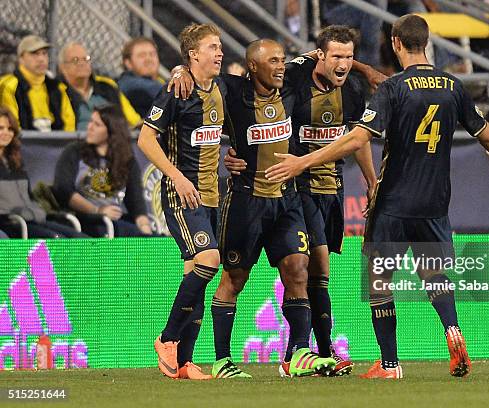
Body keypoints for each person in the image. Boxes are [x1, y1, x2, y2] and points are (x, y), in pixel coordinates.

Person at [265, 14, 489, 379]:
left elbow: (360, 138)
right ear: (426, 42)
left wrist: (306, 161)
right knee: (436, 277)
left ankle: (390, 364)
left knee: (379, 282)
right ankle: (453, 330)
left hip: (393, 201)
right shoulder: (452, 86)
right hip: (436, 204)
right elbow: (485, 132)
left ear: (395, 43)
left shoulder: (394, 88)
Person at [225, 26, 377, 377]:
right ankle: (308, 352)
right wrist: (238, 154)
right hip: (297, 187)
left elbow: (359, 137)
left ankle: (317, 353)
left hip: (332, 188)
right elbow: (257, 106)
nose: (343, 64)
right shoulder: (293, 77)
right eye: (335, 56)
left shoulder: (352, 90)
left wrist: (371, 181)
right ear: (319, 56)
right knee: (314, 267)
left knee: (319, 274)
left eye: (349, 57)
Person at [138, 23, 226, 380]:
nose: (220, 53)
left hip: (212, 195)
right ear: (193, 55)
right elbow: (145, 139)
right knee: (209, 260)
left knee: (196, 273)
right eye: (213, 47)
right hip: (181, 193)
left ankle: (185, 362)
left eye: (220, 47)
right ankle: (167, 338)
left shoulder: (220, 89)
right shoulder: (175, 91)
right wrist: (175, 175)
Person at [53, 104, 152, 237]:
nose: (90, 127)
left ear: (111, 131)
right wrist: (97, 210)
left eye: (97, 124)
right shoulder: (74, 152)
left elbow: (136, 204)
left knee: (148, 238)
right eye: (90, 122)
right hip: (83, 219)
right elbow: (63, 191)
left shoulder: (127, 161)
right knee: (118, 229)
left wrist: (146, 230)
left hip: (114, 221)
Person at [0, 106, 85, 238]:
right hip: (10, 223)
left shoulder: (15, 162)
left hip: (32, 219)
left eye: (10, 129)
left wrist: (40, 212)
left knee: (80, 241)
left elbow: (29, 198)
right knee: (56, 241)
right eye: (1, 128)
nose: (6, 133)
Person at [58, 42, 141, 130]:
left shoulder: (107, 85)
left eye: (86, 59)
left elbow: (133, 120)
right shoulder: (56, 90)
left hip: (112, 141)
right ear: (62, 67)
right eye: (75, 60)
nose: (82, 63)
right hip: (72, 141)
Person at [0, 35, 75, 131]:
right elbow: (11, 126)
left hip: (56, 144)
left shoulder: (57, 87)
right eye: (35, 54)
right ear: (21, 58)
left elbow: (69, 125)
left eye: (44, 53)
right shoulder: (9, 86)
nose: (41, 59)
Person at [117, 37, 164, 117]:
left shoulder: (159, 81)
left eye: (152, 54)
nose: (148, 59)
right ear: (128, 63)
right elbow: (157, 91)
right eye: (142, 55)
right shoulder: (127, 82)